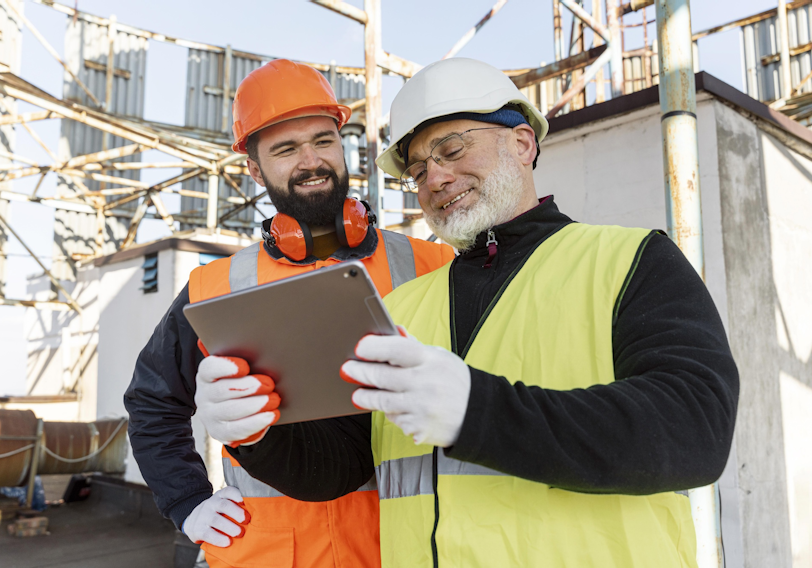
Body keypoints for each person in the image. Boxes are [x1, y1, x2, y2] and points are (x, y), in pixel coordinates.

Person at [202, 58, 740, 567]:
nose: (434, 179)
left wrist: (475, 411)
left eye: (453, 149)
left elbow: (695, 430)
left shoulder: (631, 259)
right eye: (417, 169)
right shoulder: (405, 304)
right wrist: (257, 432)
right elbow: (340, 466)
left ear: (523, 142)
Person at [124, 59, 454, 568]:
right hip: (272, 554)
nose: (311, 160)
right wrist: (185, 501)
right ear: (254, 168)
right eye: (285, 149)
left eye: (323, 140)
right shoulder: (214, 286)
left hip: (403, 549)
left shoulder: (433, 265)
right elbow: (152, 402)